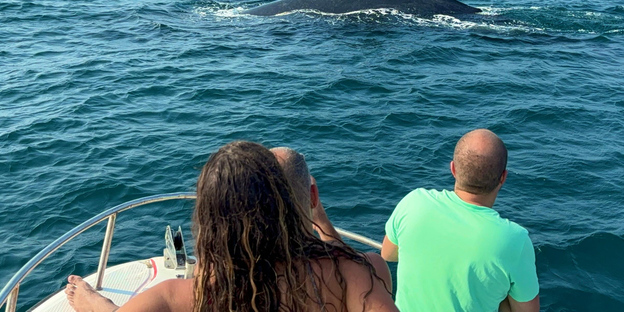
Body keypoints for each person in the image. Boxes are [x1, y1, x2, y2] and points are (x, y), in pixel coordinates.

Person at [66, 141, 398, 312]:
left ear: (207, 221)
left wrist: (95, 303)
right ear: (283, 204)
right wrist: (319, 218)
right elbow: (340, 260)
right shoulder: (362, 273)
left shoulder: (178, 298)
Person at [381, 129, 540, 312]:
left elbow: (387, 254)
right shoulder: (515, 240)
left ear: (453, 169)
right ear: (503, 178)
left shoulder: (414, 202)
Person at [271, 147, 392, 291]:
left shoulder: (242, 277)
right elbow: (349, 267)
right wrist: (322, 221)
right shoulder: (368, 272)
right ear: (313, 195)